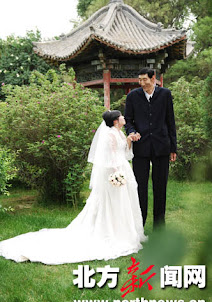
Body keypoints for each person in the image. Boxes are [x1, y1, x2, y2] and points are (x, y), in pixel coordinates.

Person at [0, 110, 147, 265]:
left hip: (122, 167)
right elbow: (109, 157)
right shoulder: (109, 134)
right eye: (121, 117)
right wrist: (116, 174)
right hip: (114, 171)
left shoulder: (120, 133)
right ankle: (113, 231)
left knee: (123, 201)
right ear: (116, 121)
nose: (124, 118)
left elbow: (124, 152)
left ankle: (124, 230)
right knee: (112, 202)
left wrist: (130, 139)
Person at [124, 68, 177, 228]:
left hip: (162, 146)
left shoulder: (165, 94)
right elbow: (128, 119)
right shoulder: (133, 96)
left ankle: (159, 226)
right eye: (139, 80)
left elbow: (170, 121)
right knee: (140, 187)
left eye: (144, 79)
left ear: (153, 79)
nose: (142, 83)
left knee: (160, 186)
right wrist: (132, 131)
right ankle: (140, 224)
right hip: (140, 148)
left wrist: (173, 148)